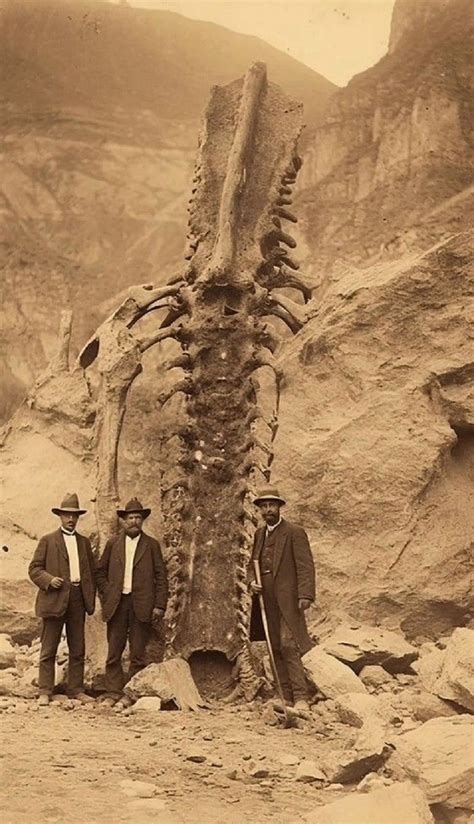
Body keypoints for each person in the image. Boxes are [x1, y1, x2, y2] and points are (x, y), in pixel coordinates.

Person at [248, 485, 315, 714]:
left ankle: (301, 697)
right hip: (265, 601)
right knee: (273, 645)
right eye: (264, 506)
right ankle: (284, 696)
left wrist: (305, 595)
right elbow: (252, 564)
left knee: (288, 645)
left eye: (272, 505)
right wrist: (251, 582)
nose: (268, 510)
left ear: (279, 507)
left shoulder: (294, 532)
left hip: (288, 600)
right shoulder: (259, 535)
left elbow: (305, 566)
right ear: (259, 510)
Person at [97, 498, 168, 707]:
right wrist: (108, 592)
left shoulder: (151, 545)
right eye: (130, 518)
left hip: (142, 604)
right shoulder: (113, 544)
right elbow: (100, 572)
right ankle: (113, 692)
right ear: (124, 520)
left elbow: (161, 577)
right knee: (114, 651)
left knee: (137, 652)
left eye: (138, 517)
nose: (134, 521)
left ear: (142, 520)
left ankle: (131, 693)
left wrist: (159, 605)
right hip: (117, 604)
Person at [28, 493, 97, 706]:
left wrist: (88, 595)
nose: (71, 519)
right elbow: (34, 569)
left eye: (74, 516)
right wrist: (49, 580)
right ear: (60, 516)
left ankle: (76, 690)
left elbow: (90, 572)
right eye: (67, 515)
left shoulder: (84, 543)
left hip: (77, 598)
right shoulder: (48, 540)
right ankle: (45, 690)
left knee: (78, 648)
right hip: (54, 597)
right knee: (49, 647)